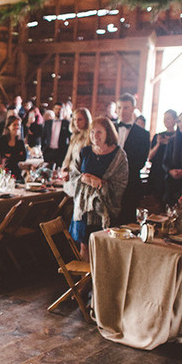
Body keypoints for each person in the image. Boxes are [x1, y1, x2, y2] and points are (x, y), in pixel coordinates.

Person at [69, 116, 128, 261]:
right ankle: (85, 281)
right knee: (84, 245)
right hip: (84, 208)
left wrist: (100, 183)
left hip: (104, 209)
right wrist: (83, 178)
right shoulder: (85, 151)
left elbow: (121, 183)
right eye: (92, 132)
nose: (95, 136)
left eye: (99, 132)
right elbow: (73, 174)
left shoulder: (118, 155)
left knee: (102, 247)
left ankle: (100, 281)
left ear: (108, 132)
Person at [116, 92, 150, 224]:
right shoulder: (109, 128)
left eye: (126, 108)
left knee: (126, 221)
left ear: (133, 109)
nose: (122, 111)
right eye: (119, 108)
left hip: (130, 184)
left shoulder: (143, 134)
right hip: (107, 183)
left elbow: (140, 161)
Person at [147, 109, 177, 205]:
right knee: (155, 199)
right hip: (156, 170)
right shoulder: (158, 136)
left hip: (168, 172)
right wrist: (158, 144)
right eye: (164, 118)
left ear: (175, 120)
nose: (166, 121)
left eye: (168, 118)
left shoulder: (178, 137)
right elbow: (150, 156)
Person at [163, 111, 182, 206]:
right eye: (179, 121)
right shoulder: (172, 140)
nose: (181, 124)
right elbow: (165, 162)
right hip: (172, 183)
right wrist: (171, 171)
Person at [61, 107, 92, 195]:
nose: (76, 122)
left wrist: (70, 174)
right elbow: (68, 157)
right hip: (69, 176)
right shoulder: (74, 136)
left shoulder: (89, 138)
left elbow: (85, 162)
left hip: (79, 177)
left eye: (80, 119)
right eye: (74, 119)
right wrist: (64, 170)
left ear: (86, 120)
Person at [0, 114, 27, 180]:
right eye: (14, 125)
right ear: (8, 126)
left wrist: (10, 155)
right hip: (3, 170)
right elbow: (2, 156)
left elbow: (24, 157)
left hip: (16, 171)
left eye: (18, 125)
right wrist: (17, 155)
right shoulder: (2, 139)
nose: (17, 127)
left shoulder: (20, 141)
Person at [42, 102, 70, 167]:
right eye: (56, 109)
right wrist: (43, 149)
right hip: (49, 151)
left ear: (63, 111)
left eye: (60, 109)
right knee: (46, 172)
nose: (58, 111)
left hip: (61, 152)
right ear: (53, 110)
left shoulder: (67, 123)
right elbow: (43, 137)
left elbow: (70, 138)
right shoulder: (48, 123)